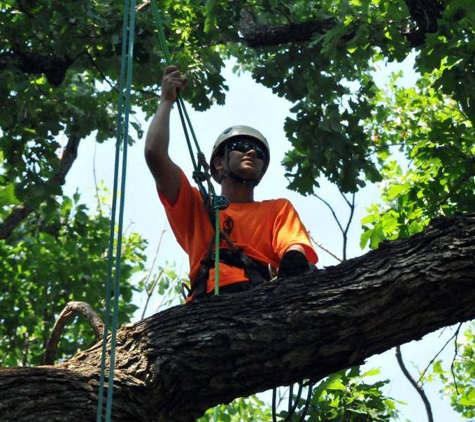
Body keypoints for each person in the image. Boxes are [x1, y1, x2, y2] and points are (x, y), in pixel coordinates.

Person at [145, 65, 318, 300]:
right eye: (241, 147)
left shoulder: (276, 209)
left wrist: (295, 265)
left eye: (258, 151)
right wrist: (166, 101)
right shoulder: (196, 207)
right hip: (206, 301)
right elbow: (154, 153)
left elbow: (295, 252)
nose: (252, 153)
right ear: (218, 163)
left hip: (261, 298)